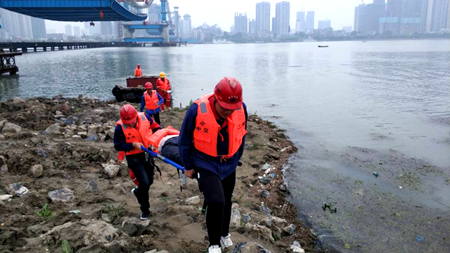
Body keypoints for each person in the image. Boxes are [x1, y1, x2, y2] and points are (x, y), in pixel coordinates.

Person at [178, 77, 248, 253]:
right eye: (224, 108)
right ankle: (214, 244)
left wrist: (237, 156)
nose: (228, 112)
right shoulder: (196, 110)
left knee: (227, 199)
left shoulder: (241, 109)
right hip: (205, 161)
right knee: (216, 201)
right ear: (216, 98)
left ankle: (224, 235)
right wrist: (188, 166)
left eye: (231, 109)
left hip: (229, 162)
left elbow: (242, 134)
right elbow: (184, 139)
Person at [114, 104, 161, 220]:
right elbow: (118, 145)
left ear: (136, 116)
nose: (130, 123)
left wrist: (158, 139)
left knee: (149, 181)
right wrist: (132, 144)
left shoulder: (146, 117)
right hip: (134, 157)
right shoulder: (119, 128)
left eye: (131, 121)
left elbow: (156, 128)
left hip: (148, 153)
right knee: (144, 183)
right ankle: (145, 211)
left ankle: (137, 192)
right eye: (127, 122)